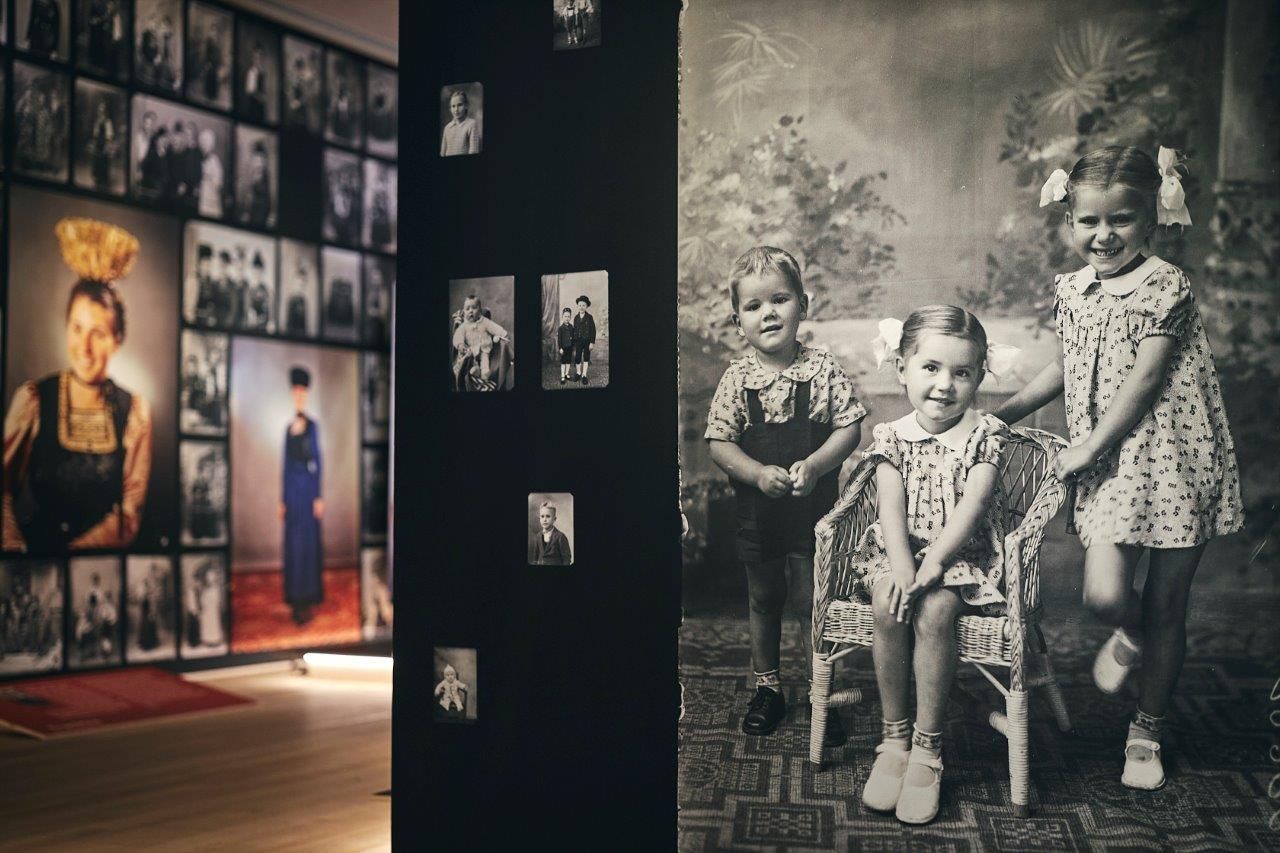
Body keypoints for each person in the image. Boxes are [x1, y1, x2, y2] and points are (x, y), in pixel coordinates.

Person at [993, 145, 1244, 792]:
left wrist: (1085, 446)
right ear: (1070, 221)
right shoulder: (1073, 289)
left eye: (1122, 220)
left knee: (1168, 603)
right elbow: (1066, 366)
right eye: (1089, 222)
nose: (1103, 235)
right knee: (1105, 592)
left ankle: (1147, 727)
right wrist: (1008, 413)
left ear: (1151, 220)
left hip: (1176, 457)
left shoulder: (1168, 285)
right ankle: (1130, 636)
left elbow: (1147, 376)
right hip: (1113, 460)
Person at [846, 306, 1016, 825]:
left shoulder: (986, 435)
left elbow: (973, 508)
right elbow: (889, 508)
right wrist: (901, 568)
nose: (945, 385)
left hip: (958, 557)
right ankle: (894, 740)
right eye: (931, 368)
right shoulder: (892, 437)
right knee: (886, 599)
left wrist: (934, 563)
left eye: (961, 373)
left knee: (938, 611)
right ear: (902, 368)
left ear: (979, 377)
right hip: (901, 553)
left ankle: (927, 748)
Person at [705, 246, 865, 739]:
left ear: (804, 304)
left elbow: (850, 429)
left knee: (813, 599)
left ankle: (823, 691)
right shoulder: (738, 378)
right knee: (765, 594)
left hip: (814, 511)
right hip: (759, 513)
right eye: (753, 306)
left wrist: (816, 465)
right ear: (739, 320)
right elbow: (718, 442)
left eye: (779, 299)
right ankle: (768, 687)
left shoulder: (822, 369)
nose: (768, 313)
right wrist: (754, 473)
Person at [3, 218, 153, 553]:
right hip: (37, 568)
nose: (83, 347)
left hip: (100, 571)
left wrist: (74, 566)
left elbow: (130, 513)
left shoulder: (134, 413)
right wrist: (15, 553)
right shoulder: (34, 400)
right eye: (76, 328)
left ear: (117, 341)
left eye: (98, 334)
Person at [280, 367, 324, 627]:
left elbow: (318, 460)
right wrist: (281, 499)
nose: (299, 397)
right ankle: (295, 600)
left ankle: (309, 598)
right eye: (295, 393)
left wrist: (318, 495)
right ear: (292, 395)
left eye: (302, 393)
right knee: (293, 547)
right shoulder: (288, 429)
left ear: (306, 396)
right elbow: (284, 465)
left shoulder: (313, 427)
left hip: (308, 492)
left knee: (308, 545)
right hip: (292, 494)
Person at [451, 294, 509, 392]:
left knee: (485, 359)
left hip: (484, 349)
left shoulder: (485, 322)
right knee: (470, 361)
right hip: (471, 351)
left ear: (480, 311)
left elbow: (495, 328)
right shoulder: (464, 326)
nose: (471, 311)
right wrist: (460, 344)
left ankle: (485, 373)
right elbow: (457, 336)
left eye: (474, 308)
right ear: (464, 311)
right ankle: (476, 371)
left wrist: (504, 334)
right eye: (467, 309)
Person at [528, 500, 572, 565]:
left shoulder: (561, 537)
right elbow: (535, 558)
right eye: (542, 516)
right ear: (539, 519)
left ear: (554, 519)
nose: (544, 519)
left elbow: (566, 559)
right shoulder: (538, 536)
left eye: (548, 516)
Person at [440, 89, 479, 156]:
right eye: (453, 106)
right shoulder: (447, 128)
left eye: (460, 105)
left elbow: (474, 151)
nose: (456, 109)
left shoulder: (471, 124)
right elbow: (442, 153)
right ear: (450, 109)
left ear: (466, 106)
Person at [243, 140, 272, 227]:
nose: (258, 163)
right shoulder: (251, 174)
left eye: (260, 161)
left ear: (264, 162)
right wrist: (246, 212)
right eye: (255, 160)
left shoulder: (266, 176)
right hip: (252, 209)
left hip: (261, 209)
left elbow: (268, 198)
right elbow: (248, 195)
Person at [88, 99, 115, 190]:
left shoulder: (108, 121)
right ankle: (97, 181)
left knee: (104, 162)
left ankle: (104, 183)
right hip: (97, 144)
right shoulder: (97, 121)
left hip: (104, 144)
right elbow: (95, 134)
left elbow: (109, 135)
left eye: (102, 110)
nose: (101, 112)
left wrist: (107, 146)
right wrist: (94, 143)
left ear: (105, 111)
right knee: (97, 162)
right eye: (99, 110)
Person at [197, 128, 224, 219]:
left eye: (206, 143)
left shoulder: (215, 161)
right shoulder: (200, 159)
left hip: (211, 198)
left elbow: (219, 183)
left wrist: (208, 177)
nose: (203, 146)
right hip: (201, 198)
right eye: (202, 143)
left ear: (211, 144)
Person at [571, 295, 597, 386]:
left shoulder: (590, 317)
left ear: (586, 307)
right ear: (578, 306)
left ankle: (584, 375)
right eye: (580, 305)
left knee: (586, 357)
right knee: (577, 357)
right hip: (578, 341)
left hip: (587, 341)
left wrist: (592, 342)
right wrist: (573, 342)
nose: (581, 307)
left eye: (583, 305)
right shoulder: (575, 318)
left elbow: (593, 330)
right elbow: (574, 331)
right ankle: (578, 373)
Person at [242, 42, 268, 123]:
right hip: (253, 106)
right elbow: (248, 91)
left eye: (260, 56)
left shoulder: (263, 72)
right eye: (256, 57)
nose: (258, 59)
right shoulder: (251, 72)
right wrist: (259, 97)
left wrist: (264, 96)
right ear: (253, 57)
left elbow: (264, 89)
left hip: (261, 107)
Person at [557, 307, 575, 384]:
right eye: (565, 316)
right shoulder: (560, 328)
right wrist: (560, 348)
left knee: (568, 361)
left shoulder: (571, 326)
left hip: (570, 347)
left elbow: (573, 336)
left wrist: (573, 343)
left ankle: (566, 374)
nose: (567, 318)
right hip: (564, 348)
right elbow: (559, 339)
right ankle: (562, 376)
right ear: (562, 317)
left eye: (568, 316)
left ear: (570, 317)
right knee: (563, 362)